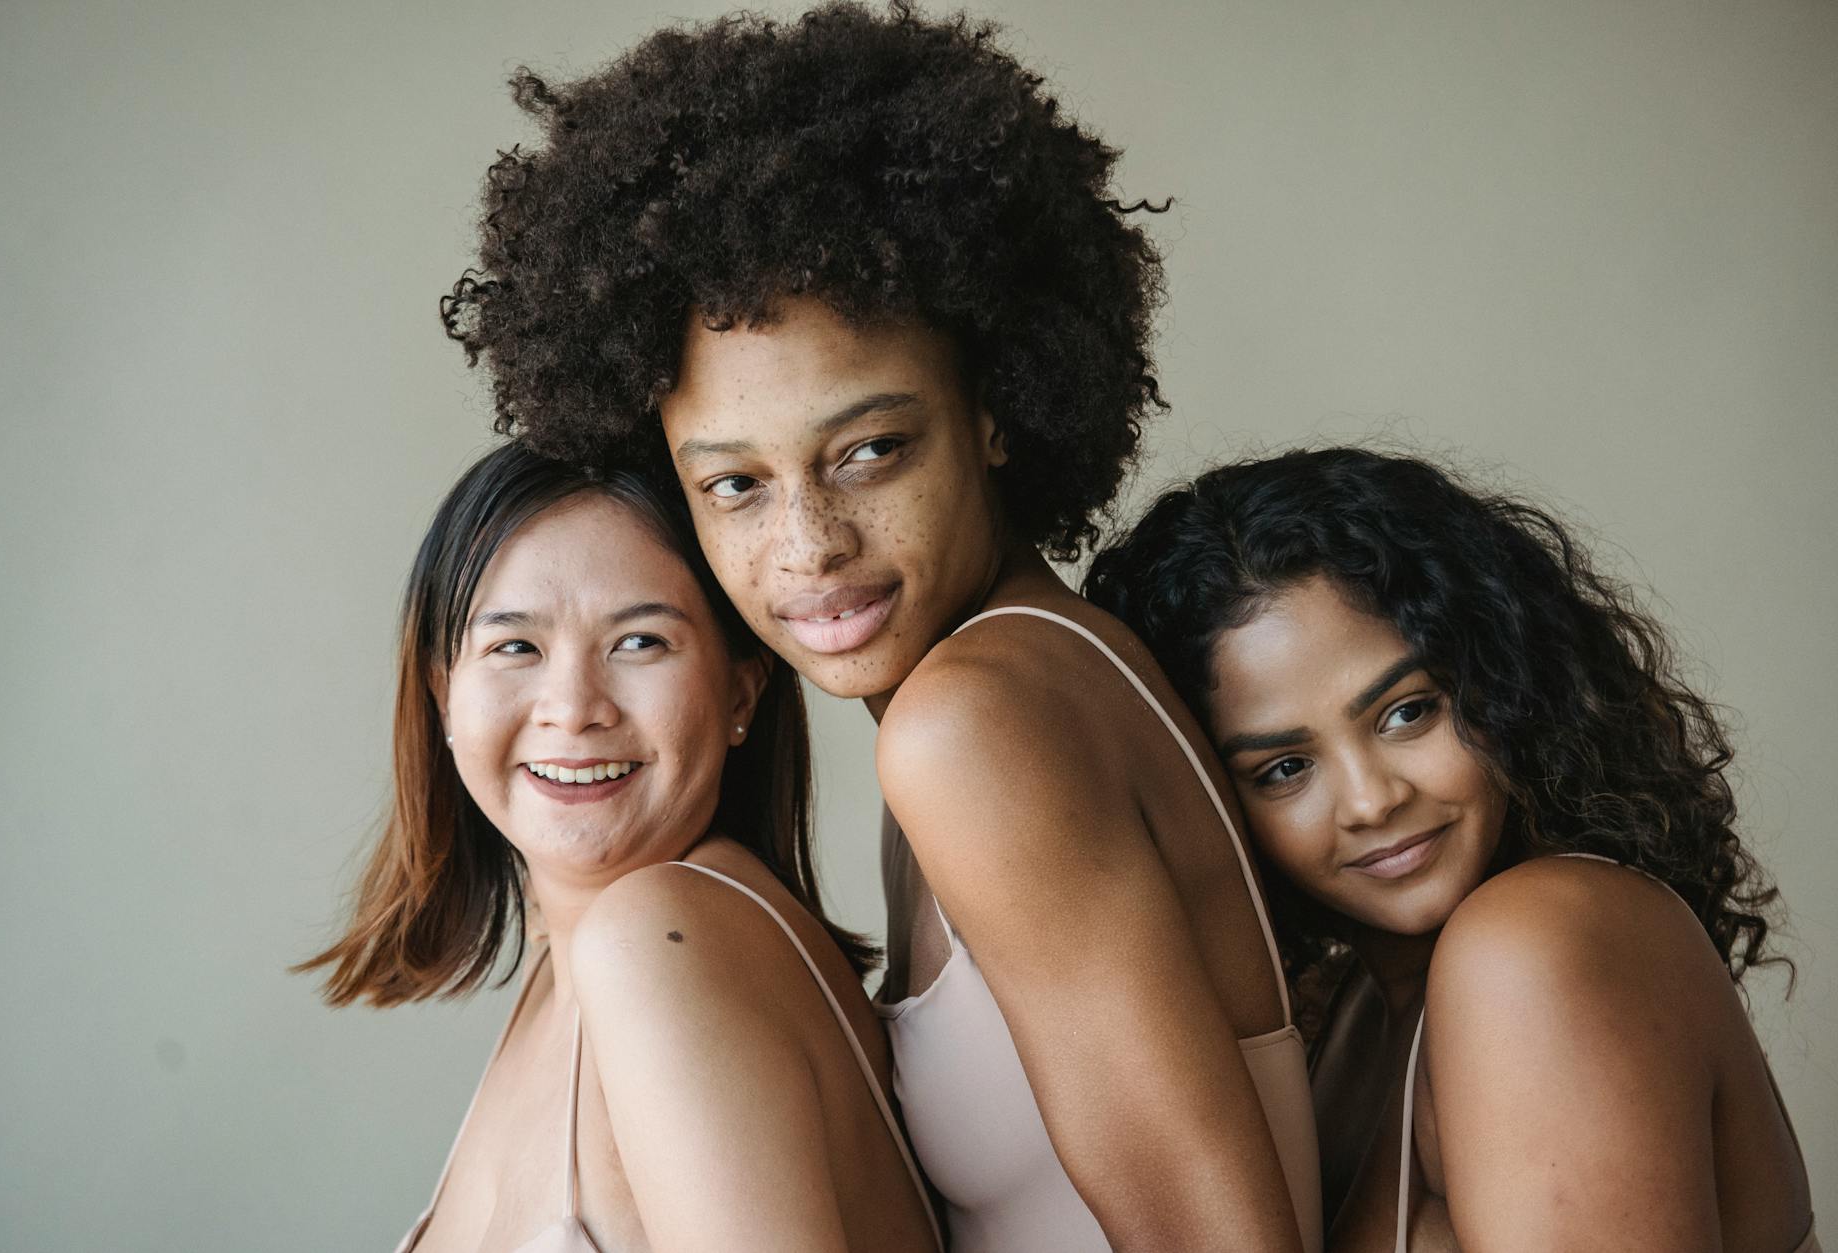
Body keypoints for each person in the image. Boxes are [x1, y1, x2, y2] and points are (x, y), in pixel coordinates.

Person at [440, 5, 1320, 1249]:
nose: (807, 546)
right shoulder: (1006, 689)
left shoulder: (974, 719)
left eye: (868, 451)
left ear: (998, 409)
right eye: (734, 483)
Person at [1086, 446, 1818, 1252]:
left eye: (1406, 712)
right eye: (1286, 768)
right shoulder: (1349, 1007)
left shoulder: (1530, 948)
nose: (1372, 800)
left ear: (1499, 677)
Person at [297, 444, 941, 1253]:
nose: (572, 708)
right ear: (443, 694)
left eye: (639, 642)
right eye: (515, 647)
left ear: (742, 687)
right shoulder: (563, 962)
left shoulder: (656, 940)